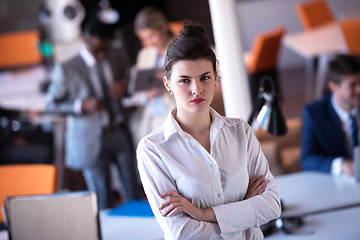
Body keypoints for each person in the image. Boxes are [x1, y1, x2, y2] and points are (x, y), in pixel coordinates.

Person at [136, 23, 281, 239]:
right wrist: (244, 209)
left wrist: (202, 214)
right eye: (185, 80)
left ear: (215, 77)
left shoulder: (240, 131)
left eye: (205, 77)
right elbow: (182, 233)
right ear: (167, 84)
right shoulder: (153, 149)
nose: (197, 89)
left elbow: (271, 206)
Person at [45, 13, 141, 210]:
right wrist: (80, 105)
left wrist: (123, 85)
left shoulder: (113, 56)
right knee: (102, 196)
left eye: (105, 49)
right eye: (98, 49)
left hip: (119, 131)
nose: (102, 54)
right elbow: (50, 105)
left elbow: (127, 78)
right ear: (86, 40)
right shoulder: (66, 68)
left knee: (134, 188)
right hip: (89, 137)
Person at [301, 54, 360, 177]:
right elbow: (306, 159)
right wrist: (341, 164)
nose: (359, 89)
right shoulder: (314, 113)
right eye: (352, 85)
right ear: (333, 87)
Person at [125, 6, 176, 146]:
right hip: (151, 120)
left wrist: (168, 78)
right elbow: (135, 94)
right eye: (144, 39)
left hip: (174, 113)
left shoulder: (179, 49)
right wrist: (146, 96)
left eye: (152, 36)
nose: (149, 42)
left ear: (163, 28)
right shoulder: (144, 55)